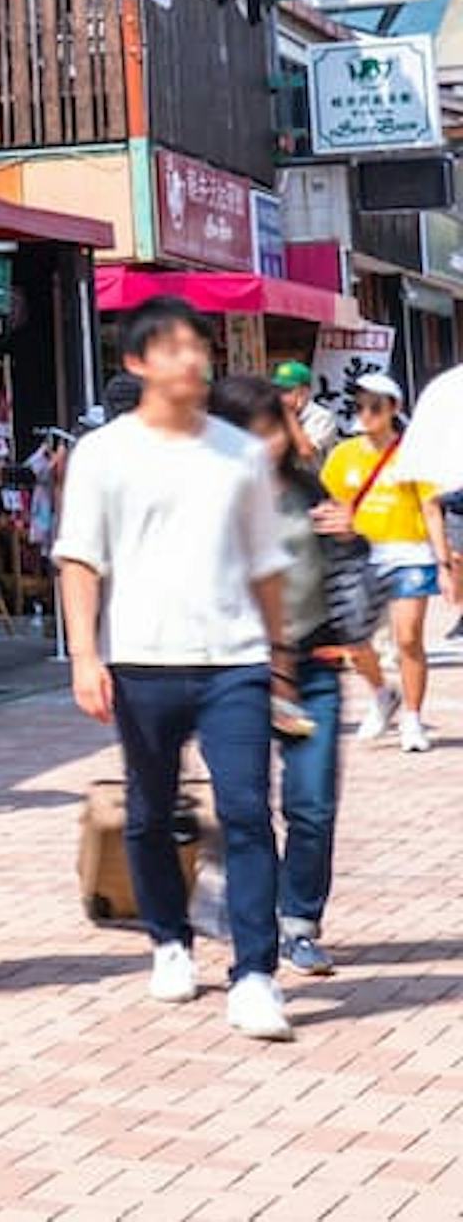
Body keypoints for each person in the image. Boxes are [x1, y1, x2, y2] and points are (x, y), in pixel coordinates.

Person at [55, 295, 296, 1043]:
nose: (193, 359)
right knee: (150, 811)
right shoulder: (103, 454)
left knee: (248, 811)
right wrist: (85, 655)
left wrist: (279, 657)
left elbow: (266, 564)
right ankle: (169, 940)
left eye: (199, 346)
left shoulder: (241, 453)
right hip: (142, 658)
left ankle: (255, 975)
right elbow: (79, 560)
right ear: (137, 362)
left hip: (235, 659)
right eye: (173, 347)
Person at [222, 373, 371, 982]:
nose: (269, 443)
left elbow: (351, 586)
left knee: (312, 804)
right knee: (246, 809)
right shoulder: (214, 502)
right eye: (253, 431)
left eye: (274, 429)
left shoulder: (311, 490)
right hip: (238, 673)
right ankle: (252, 926)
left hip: (312, 668)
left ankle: (300, 922)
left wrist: (351, 539)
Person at [321, 369, 442, 752]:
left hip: (410, 553)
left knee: (408, 638)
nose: (366, 413)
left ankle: (412, 719)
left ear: (394, 408)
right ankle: (381, 694)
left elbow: (430, 507)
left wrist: (445, 561)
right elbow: (333, 503)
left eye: (375, 406)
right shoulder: (344, 455)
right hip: (361, 555)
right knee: (355, 642)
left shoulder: (413, 453)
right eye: (360, 406)